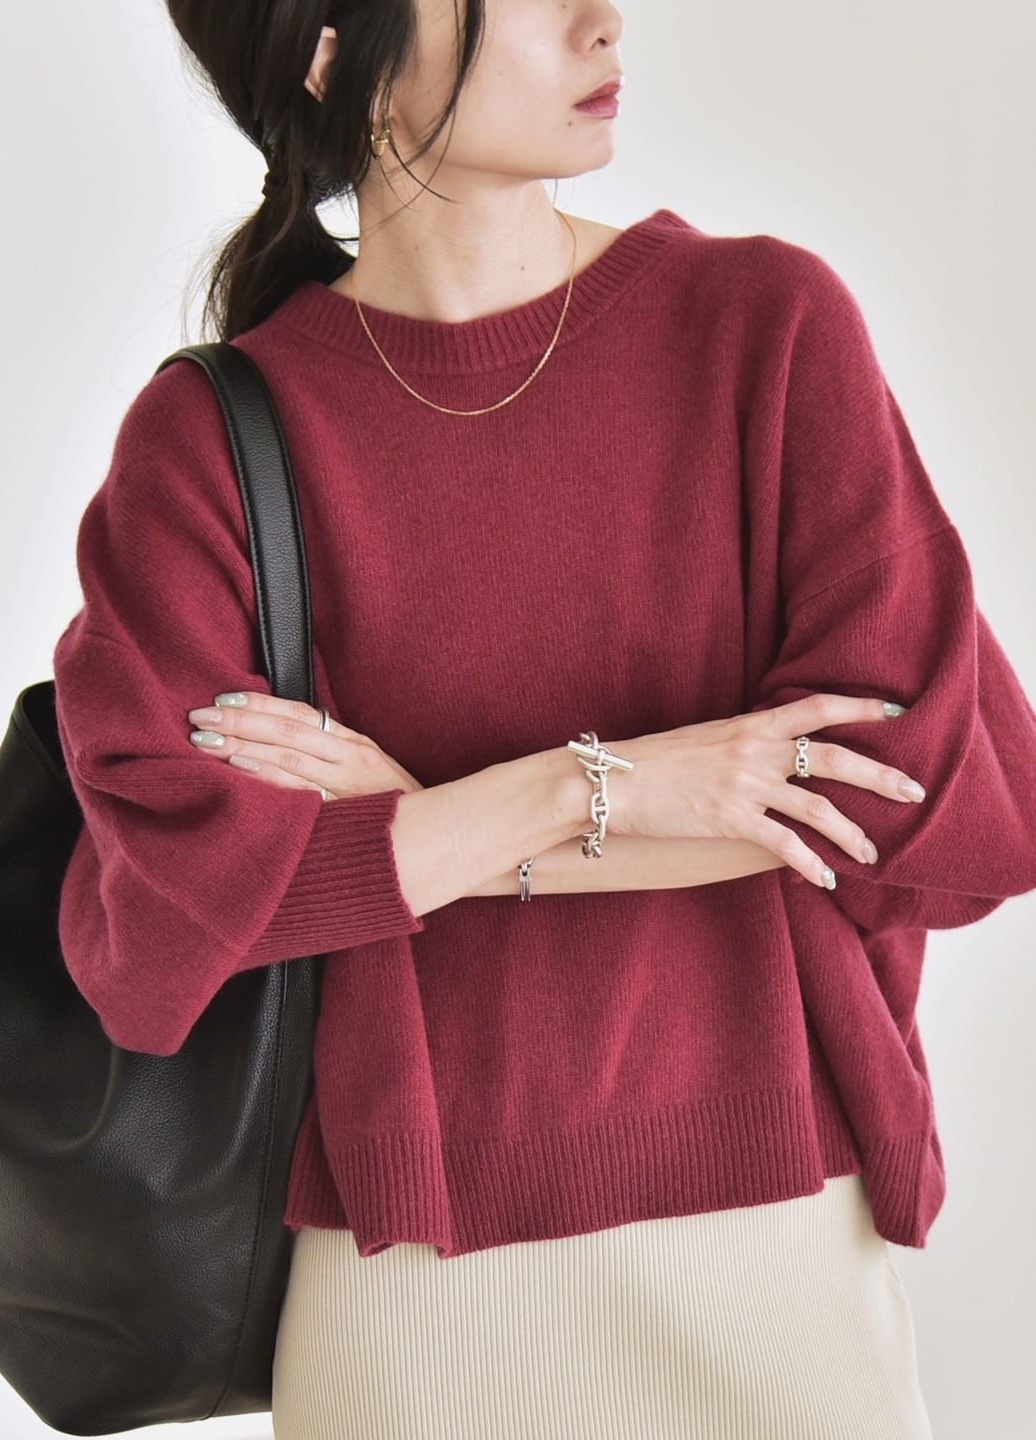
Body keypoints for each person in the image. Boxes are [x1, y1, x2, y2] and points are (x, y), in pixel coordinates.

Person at [50, 1, 1036, 1436]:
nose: (600, 20)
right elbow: (160, 919)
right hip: (409, 1285)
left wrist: (412, 830)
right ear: (330, 53)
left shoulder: (762, 330)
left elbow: (914, 799)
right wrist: (596, 789)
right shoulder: (211, 442)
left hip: (771, 1259)